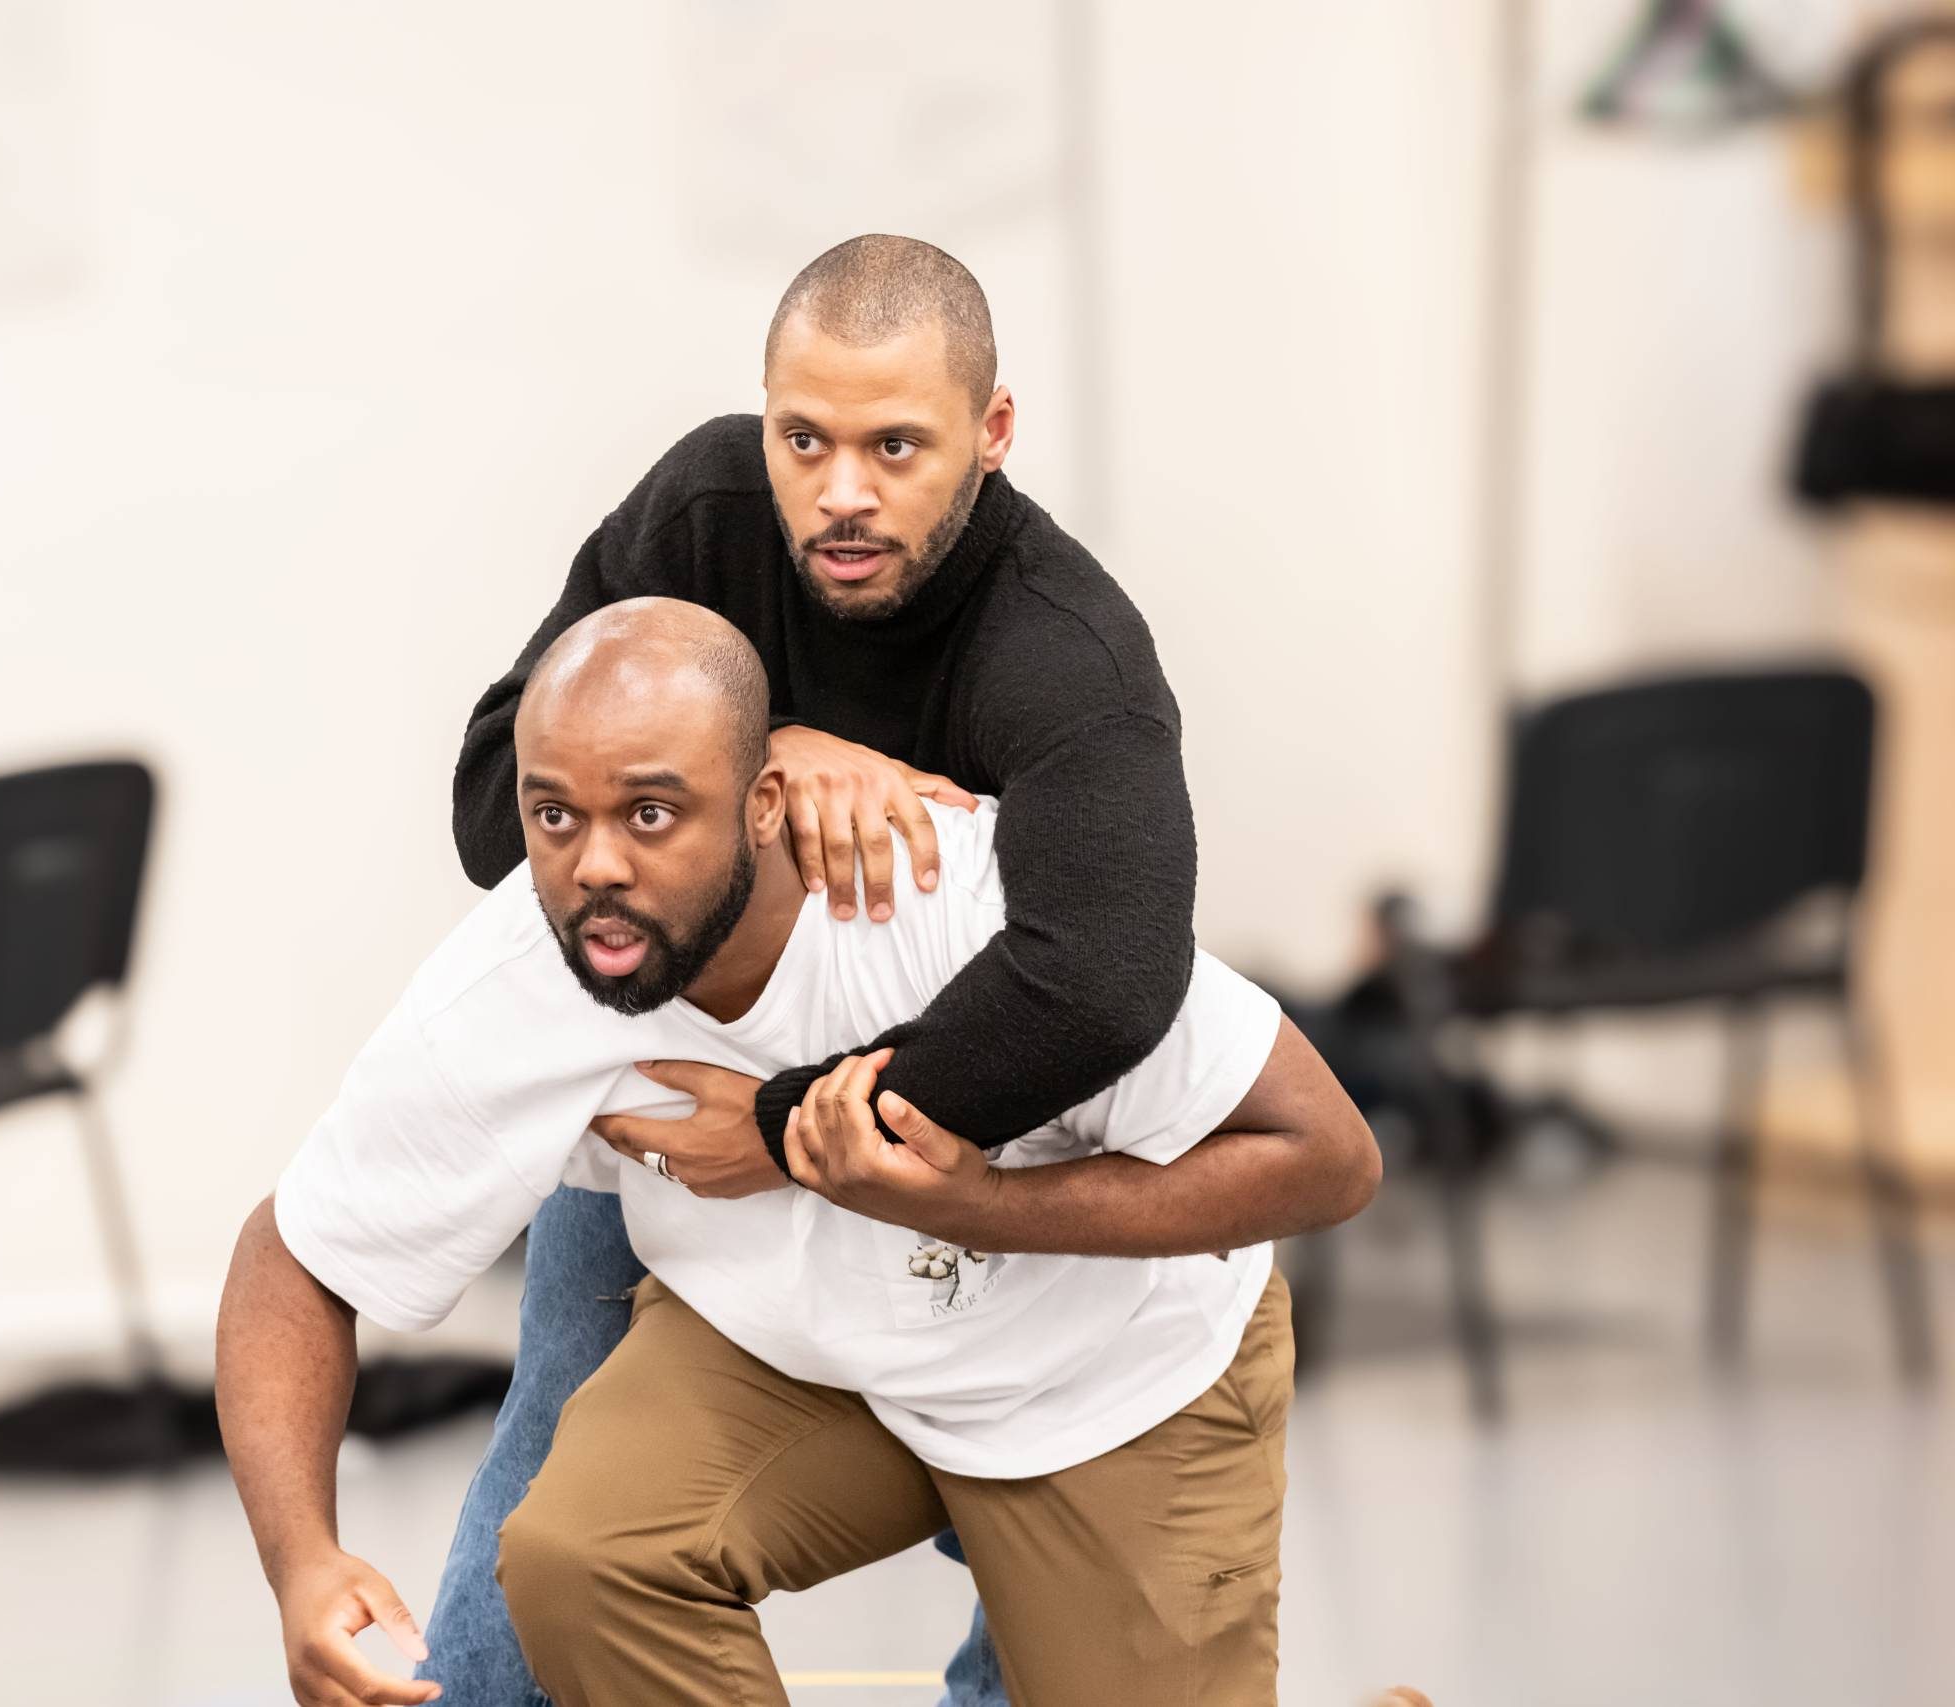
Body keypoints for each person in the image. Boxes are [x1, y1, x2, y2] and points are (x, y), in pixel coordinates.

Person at [217, 600, 1378, 1706]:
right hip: (808, 1361)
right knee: (586, 1556)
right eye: (553, 815)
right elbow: (297, 1253)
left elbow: (1328, 1156)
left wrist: (971, 1204)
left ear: (766, 802)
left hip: (1105, 1373)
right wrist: (302, 1562)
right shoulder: (518, 978)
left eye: (652, 813)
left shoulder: (964, 904)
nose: (595, 867)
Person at [434, 234, 1205, 1701]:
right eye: (806, 438)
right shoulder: (708, 517)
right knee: (534, 1548)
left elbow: (1105, 978)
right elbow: (494, 803)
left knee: (1035, 1611)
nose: (840, 491)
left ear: (991, 436)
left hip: (983, 1148)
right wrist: (765, 744)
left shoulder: (1066, 650)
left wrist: (793, 1127)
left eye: (896, 445)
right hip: (682, 1109)